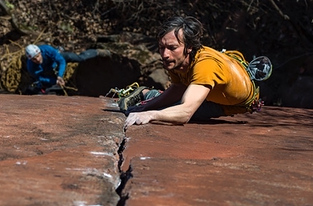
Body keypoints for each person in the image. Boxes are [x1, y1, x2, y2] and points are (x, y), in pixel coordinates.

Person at [121, 16, 270, 128]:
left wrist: (151, 114)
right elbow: (178, 87)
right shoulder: (177, 60)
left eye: (172, 48)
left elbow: (185, 113)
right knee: (170, 106)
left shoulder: (205, 66)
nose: (165, 54)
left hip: (235, 101)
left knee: (170, 112)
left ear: (189, 47)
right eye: (161, 47)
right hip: (226, 73)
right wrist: (145, 107)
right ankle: (148, 98)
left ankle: (148, 94)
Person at [22, 44, 111, 95]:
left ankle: (97, 52)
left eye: (38, 56)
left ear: (40, 52)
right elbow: (40, 78)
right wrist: (54, 81)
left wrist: (60, 75)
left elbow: (61, 61)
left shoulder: (47, 50)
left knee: (80, 58)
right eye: (34, 59)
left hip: (56, 60)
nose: (37, 59)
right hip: (48, 70)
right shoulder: (31, 66)